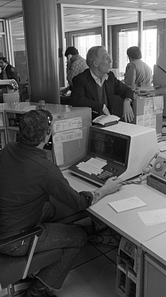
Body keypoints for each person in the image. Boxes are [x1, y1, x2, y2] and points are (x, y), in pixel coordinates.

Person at [0, 109, 123, 297]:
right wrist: (105, 190)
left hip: (6, 223)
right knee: (80, 236)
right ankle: (37, 291)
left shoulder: (8, 149)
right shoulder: (45, 170)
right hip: (14, 240)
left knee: (51, 209)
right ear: (47, 135)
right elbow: (79, 202)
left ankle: (49, 250)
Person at [70, 45, 134, 122]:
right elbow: (76, 99)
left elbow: (127, 90)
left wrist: (127, 101)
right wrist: (101, 107)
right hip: (90, 124)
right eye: (107, 58)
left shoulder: (110, 77)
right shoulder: (81, 79)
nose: (110, 61)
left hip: (108, 122)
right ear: (96, 63)